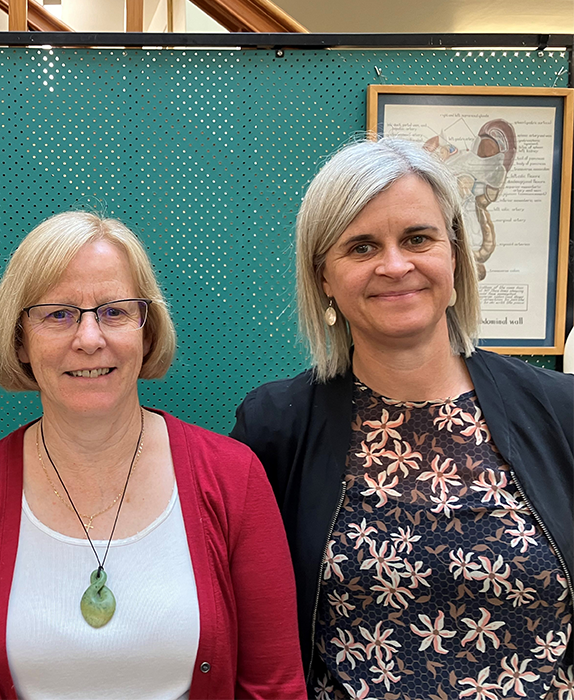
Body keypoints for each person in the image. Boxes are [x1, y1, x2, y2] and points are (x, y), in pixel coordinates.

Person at [0, 211, 306, 699]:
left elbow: (275, 689)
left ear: (147, 331)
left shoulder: (233, 478)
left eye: (114, 311)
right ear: (20, 340)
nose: (90, 339)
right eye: (58, 314)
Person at [231, 138, 573, 699]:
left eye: (418, 238)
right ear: (323, 277)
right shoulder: (275, 428)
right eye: (361, 247)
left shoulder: (562, 412)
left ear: (455, 255)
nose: (395, 265)